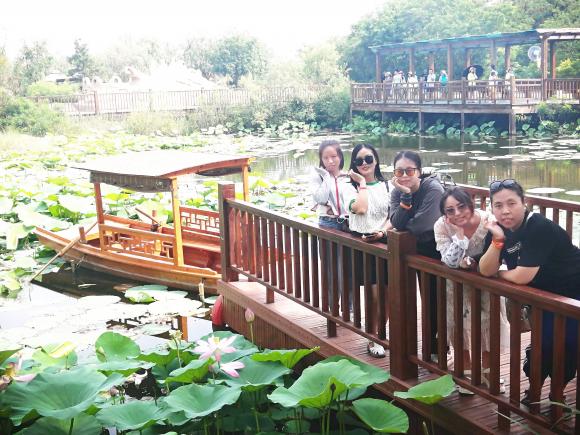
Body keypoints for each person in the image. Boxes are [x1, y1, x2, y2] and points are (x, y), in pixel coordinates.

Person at [479, 179, 580, 405]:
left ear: (524, 203)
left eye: (511, 203)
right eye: (498, 205)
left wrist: (500, 273)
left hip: (573, 292)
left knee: (568, 344)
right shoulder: (498, 229)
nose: (505, 211)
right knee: (545, 345)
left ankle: (557, 395)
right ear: (492, 208)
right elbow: (485, 269)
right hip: (544, 296)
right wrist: (497, 241)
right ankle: (534, 391)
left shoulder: (539, 227)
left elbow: (522, 276)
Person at [434, 187, 509, 395]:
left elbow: (500, 252)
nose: (457, 213)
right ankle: (464, 371)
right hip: (456, 285)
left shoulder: (488, 221)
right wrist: (459, 237)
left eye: (461, 207)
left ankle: (489, 372)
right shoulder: (441, 226)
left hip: (487, 283)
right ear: (444, 214)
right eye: (450, 210)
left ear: (470, 204)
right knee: (458, 325)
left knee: (490, 325)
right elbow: (449, 261)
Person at [389, 150, 444, 361]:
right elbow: (396, 221)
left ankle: (439, 349)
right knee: (426, 301)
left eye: (409, 171)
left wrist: (404, 224)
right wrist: (405, 195)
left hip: (440, 251)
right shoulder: (398, 192)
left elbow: (422, 224)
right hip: (414, 251)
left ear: (419, 172)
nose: (404, 175)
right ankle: (432, 350)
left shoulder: (433, 189)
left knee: (440, 302)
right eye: (399, 171)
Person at [347, 143, 392, 358]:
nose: (364, 163)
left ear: (376, 160)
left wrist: (383, 232)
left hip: (384, 242)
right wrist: (363, 183)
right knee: (374, 294)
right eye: (359, 160)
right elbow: (361, 208)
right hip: (363, 245)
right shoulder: (349, 187)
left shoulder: (388, 186)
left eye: (368, 159)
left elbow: (393, 216)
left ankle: (380, 333)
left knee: (388, 294)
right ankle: (372, 337)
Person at [311, 140, 352, 314]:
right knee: (330, 267)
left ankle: (349, 307)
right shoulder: (318, 177)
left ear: (340, 156)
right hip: (327, 224)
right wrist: (327, 178)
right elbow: (321, 198)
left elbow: (351, 202)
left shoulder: (349, 177)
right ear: (321, 159)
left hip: (347, 225)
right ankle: (332, 306)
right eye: (326, 158)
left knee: (347, 267)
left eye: (334, 156)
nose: (330, 161)